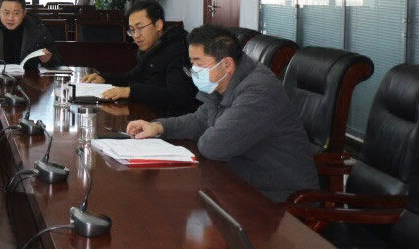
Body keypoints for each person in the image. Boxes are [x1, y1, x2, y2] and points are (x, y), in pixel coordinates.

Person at [126, 25, 317, 202]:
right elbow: (200, 120)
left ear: (226, 64)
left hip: (280, 200)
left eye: (198, 63)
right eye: (192, 63)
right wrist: (159, 127)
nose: (194, 70)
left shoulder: (258, 91)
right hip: (240, 182)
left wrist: (210, 129)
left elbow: (213, 146)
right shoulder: (225, 81)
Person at [79, 0, 197, 114]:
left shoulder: (177, 51)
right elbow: (132, 76)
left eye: (140, 28)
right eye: (132, 30)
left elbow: (176, 95)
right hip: (151, 112)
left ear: (158, 25)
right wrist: (104, 79)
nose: (136, 35)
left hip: (170, 119)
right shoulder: (153, 49)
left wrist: (131, 91)